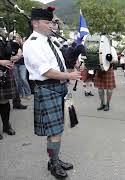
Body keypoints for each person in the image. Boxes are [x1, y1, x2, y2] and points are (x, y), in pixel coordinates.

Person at [23, 7, 81, 179]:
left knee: (58, 129)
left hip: (59, 88)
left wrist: (73, 64)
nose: (51, 25)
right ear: (35, 23)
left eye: (52, 22)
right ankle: (53, 164)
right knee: (54, 131)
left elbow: (59, 64)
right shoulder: (32, 44)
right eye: (47, 22)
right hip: (48, 88)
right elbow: (46, 71)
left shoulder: (51, 42)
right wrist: (69, 75)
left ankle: (54, 159)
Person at [0, 26, 16, 140]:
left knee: (4, 101)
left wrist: (12, 60)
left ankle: (6, 126)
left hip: (5, 72)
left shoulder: (3, 39)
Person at [94, 39, 117, 111]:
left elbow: (116, 60)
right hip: (99, 69)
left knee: (109, 90)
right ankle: (102, 103)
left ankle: (108, 104)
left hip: (108, 69)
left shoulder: (111, 48)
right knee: (100, 89)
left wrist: (110, 59)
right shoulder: (96, 47)